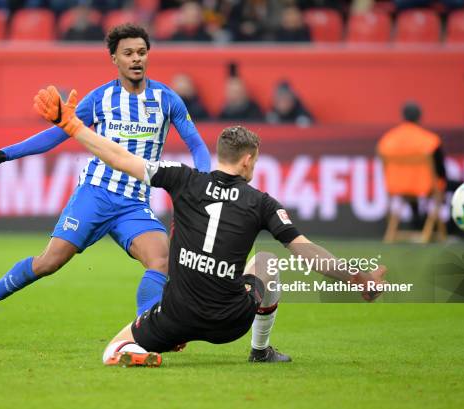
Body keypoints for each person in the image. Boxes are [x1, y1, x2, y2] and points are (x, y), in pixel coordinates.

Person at [33, 86, 388, 366]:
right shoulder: (261, 202)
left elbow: (120, 157)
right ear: (248, 160)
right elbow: (308, 253)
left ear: (220, 154)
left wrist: (73, 126)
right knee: (267, 262)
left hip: (176, 317)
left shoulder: (184, 180)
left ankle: (143, 349)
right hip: (230, 321)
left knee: (112, 350)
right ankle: (260, 351)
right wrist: (358, 278)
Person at [0, 24, 212, 347]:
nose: (136, 59)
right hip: (95, 194)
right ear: (114, 59)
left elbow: (197, 146)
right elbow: (57, 133)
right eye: (128, 53)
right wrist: (6, 154)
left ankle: (150, 332)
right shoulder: (101, 98)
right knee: (49, 262)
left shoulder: (167, 99)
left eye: (142, 53)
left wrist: (203, 177)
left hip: (134, 203)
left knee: (161, 260)